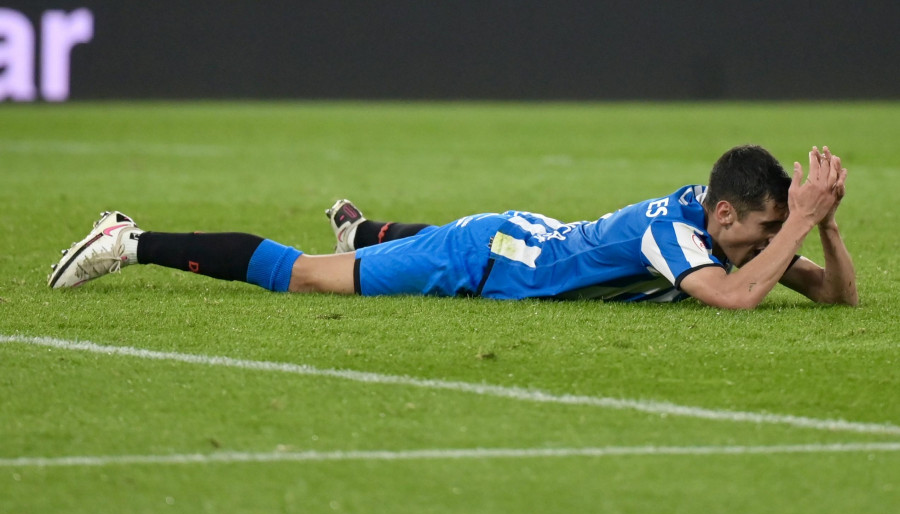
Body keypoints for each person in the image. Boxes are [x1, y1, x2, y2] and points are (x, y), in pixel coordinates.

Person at [48, 144, 857, 310]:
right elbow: (736, 298)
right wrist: (804, 219)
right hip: (488, 256)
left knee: (361, 255)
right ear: (724, 215)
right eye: (764, 228)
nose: (765, 242)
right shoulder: (681, 239)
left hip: (531, 239)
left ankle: (365, 233)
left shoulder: (725, 232)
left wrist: (821, 228)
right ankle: (129, 238)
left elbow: (839, 300)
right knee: (303, 277)